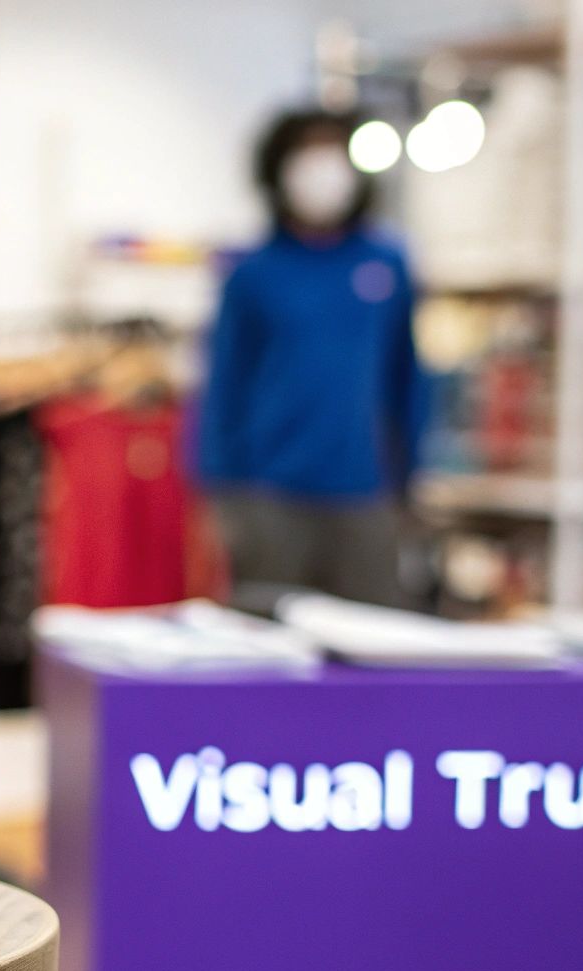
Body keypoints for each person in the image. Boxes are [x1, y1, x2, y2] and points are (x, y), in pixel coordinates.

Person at [191, 108, 430, 607]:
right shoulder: (253, 273)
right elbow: (222, 386)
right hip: (269, 495)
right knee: (269, 647)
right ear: (279, 169)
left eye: (334, 151)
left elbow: (407, 379)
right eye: (307, 152)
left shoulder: (386, 265)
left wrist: (410, 477)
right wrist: (217, 491)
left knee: (375, 644)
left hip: (364, 494)